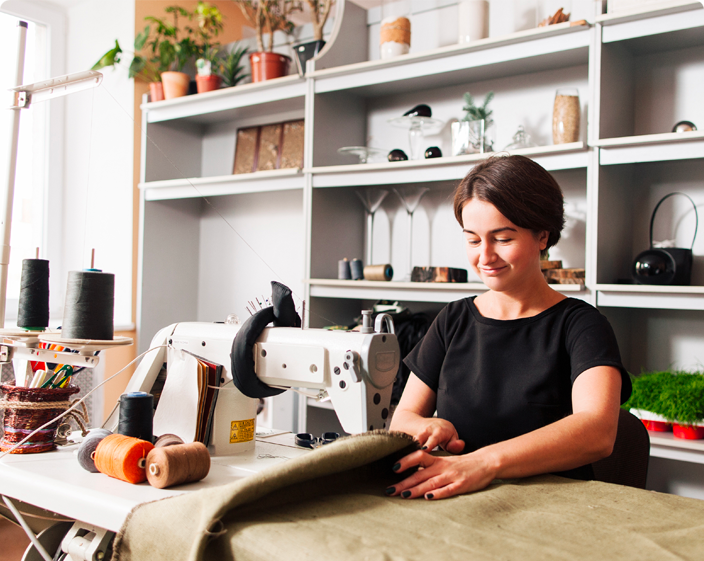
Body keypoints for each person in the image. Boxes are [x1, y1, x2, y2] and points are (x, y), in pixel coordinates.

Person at [387, 154, 631, 501]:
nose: (485, 257)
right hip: (461, 500)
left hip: (553, 507)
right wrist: (427, 425)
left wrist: (484, 463)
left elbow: (598, 432)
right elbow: (403, 419)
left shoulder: (583, 326)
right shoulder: (452, 320)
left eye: (502, 239)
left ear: (542, 235)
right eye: (473, 240)